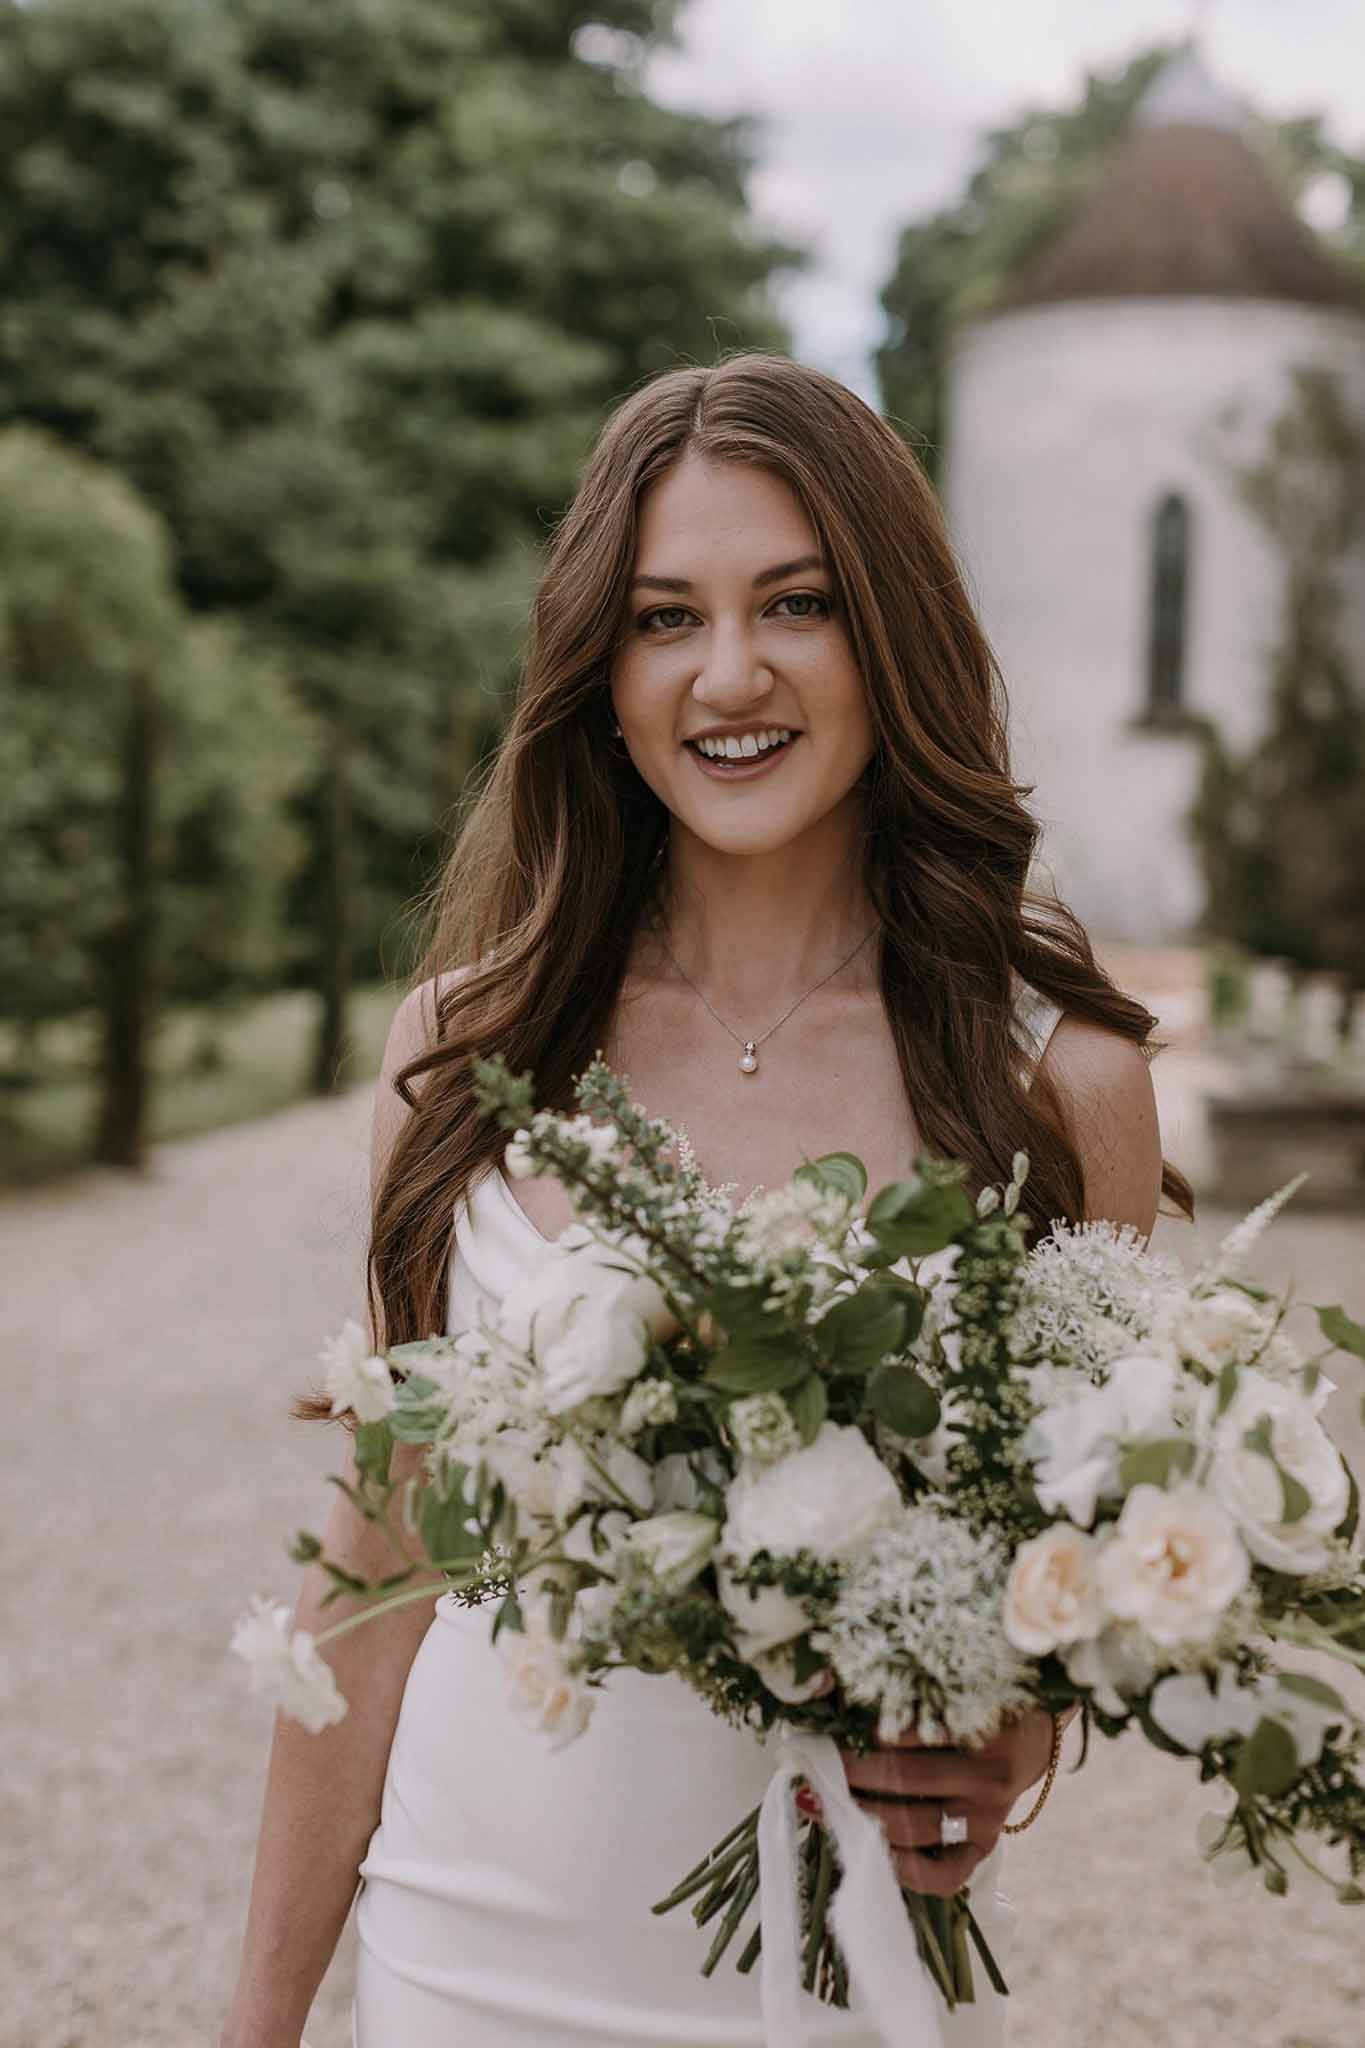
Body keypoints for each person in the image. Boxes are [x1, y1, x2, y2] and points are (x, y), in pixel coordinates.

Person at [220, 351, 1190, 2048]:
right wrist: (257, 2023)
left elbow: (1063, 1591)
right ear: (600, 667)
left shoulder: (1056, 1086)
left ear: (890, 635)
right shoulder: (462, 1051)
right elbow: (380, 1570)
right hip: (462, 1946)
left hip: (824, 1971)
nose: (726, 674)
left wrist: (1008, 1745)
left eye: (794, 603)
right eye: (665, 617)